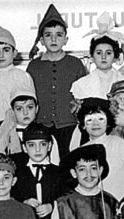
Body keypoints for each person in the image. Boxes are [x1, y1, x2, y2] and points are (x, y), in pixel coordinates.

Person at [27, 3, 87, 157]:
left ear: (66, 39)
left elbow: (83, 96)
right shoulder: (34, 66)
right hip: (42, 126)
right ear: (41, 40)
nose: (54, 39)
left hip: (70, 125)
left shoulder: (75, 64)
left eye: (59, 35)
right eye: (48, 35)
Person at [10, 122, 62, 219]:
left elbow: (67, 198)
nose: (37, 150)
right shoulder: (18, 174)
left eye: (42, 144)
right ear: (24, 148)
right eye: (31, 145)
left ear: (50, 146)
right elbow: (10, 198)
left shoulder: (59, 172)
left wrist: (52, 205)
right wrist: (23, 203)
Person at [77, 98, 124, 201]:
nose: (95, 124)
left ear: (108, 121)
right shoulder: (81, 150)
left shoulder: (119, 144)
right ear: (83, 124)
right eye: (90, 120)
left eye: (101, 119)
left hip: (119, 203)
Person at [0, 87, 60, 165]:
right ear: (12, 111)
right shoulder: (5, 136)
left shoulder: (47, 135)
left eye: (30, 107)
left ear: (37, 108)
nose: (25, 112)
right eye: (19, 109)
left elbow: (55, 165)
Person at [70, 12, 124, 101]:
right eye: (99, 53)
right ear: (92, 56)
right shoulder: (81, 85)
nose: (103, 57)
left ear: (115, 57)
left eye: (108, 53)